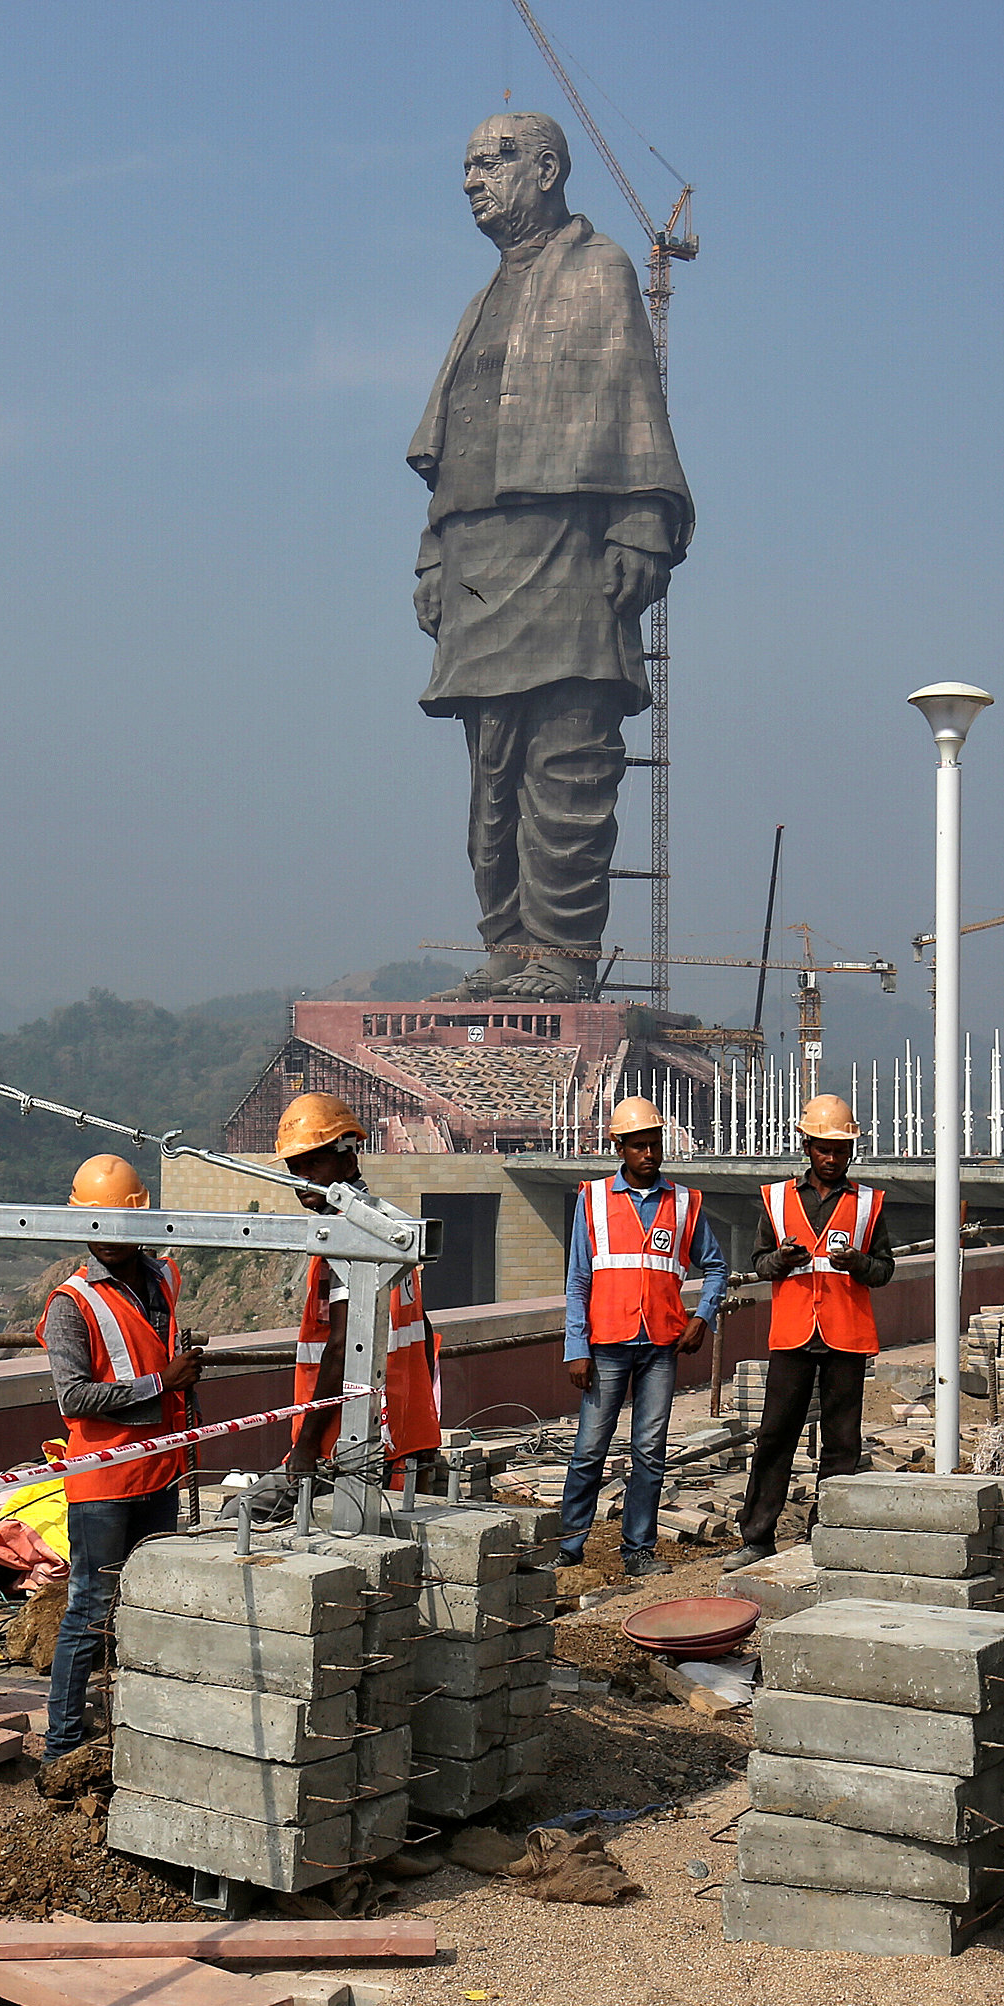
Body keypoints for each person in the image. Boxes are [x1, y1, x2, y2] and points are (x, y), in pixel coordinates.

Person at [410, 112, 694, 1003]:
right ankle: (508, 945)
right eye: (466, 163)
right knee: (490, 782)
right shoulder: (484, 297)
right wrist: (430, 559)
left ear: (546, 170)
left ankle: (563, 954)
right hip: (477, 559)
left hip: (566, 551)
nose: (472, 179)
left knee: (568, 763)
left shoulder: (599, 268)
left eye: (491, 160)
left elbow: (634, 402)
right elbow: (450, 446)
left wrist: (642, 520)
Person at [38, 1154, 205, 1760]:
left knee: (147, 1602)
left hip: (159, 1469)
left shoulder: (162, 1280)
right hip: (104, 1478)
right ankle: (62, 1745)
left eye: (118, 1223)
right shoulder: (71, 1303)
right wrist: (163, 1382)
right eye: (96, 1225)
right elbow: (75, 1397)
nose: (108, 1239)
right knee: (90, 1607)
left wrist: (176, 1375)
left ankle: (140, 1726)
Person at [560, 1097, 727, 1576]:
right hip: (606, 1343)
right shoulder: (592, 1199)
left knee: (649, 1452)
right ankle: (570, 1546)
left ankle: (638, 1551)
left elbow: (715, 1266)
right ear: (620, 1146)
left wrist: (703, 1317)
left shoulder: (684, 1202)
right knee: (590, 1448)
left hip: (660, 1345)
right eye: (638, 1146)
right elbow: (578, 1279)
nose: (649, 1153)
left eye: (654, 1144)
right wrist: (577, 1347)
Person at [735, 1094, 894, 1566]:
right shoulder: (778, 1199)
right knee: (775, 1435)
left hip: (845, 1335)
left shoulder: (868, 1204)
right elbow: (759, 1263)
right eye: (823, 1148)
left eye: (840, 1150)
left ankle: (830, 1530)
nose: (831, 1158)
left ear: (851, 1152)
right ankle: (757, 1536)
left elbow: (885, 1269)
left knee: (842, 1441)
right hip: (794, 1335)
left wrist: (860, 1264)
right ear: (807, 1146)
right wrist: (780, 1261)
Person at [276, 1093, 443, 1490]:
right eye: (294, 1168)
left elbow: (341, 1344)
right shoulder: (387, 1224)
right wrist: (424, 1420)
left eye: (313, 1164)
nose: (302, 1180)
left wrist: (307, 1444)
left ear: (348, 1160)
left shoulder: (347, 1235)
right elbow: (420, 1329)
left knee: (247, 1515)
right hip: (400, 1432)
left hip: (345, 1442)